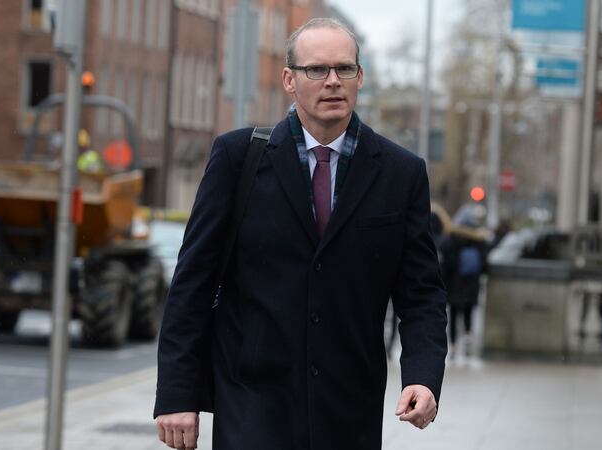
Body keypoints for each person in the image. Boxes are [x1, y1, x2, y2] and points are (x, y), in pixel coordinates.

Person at [154, 18, 448, 450]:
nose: (332, 81)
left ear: (360, 78)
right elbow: (192, 284)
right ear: (290, 80)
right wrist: (178, 395)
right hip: (253, 404)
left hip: (349, 410)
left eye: (344, 69)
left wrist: (422, 375)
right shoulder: (238, 159)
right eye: (317, 70)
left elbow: (421, 292)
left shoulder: (400, 173)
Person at [441, 209, 488, 360]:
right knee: (468, 314)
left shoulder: (451, 240)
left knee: (453, 316)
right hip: (471, 285)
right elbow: (484, 266)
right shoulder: (479, 241)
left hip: (454, 284)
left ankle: (453, 347)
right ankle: (468, 339)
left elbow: (445, 265)